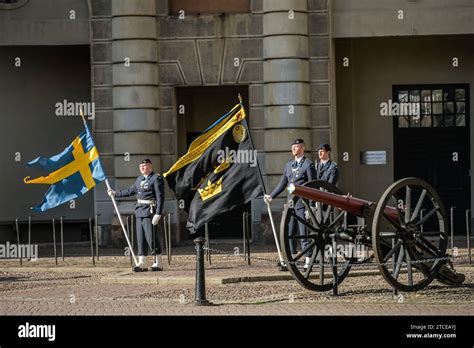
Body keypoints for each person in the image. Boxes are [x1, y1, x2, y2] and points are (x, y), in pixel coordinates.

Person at [264, 139, 315, 269]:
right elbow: (282, 183)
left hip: (303, 204)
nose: (293, 149)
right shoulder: (289, 165)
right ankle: (292, 258)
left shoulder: (308, 165)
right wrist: (271, 196)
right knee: (291, 232)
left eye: (296, 147)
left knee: (304, 233)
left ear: (302, 148)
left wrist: (311, 206)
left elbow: (313, 186)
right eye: (292, 147)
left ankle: (308, 260)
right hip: (290, 204)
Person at [107, 159, 165, 272]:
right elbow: (130, 191)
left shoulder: (156, 179)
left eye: (144, 166)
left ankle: (158, 262)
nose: (142, 168)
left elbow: (160, 198)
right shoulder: (139, 179)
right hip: (139, 212)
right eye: (140, 166)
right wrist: (116, 193)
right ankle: (142, 263)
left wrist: (158, 213)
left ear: (150, 166)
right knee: (140, 238)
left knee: (151, 237)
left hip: (150, 211)